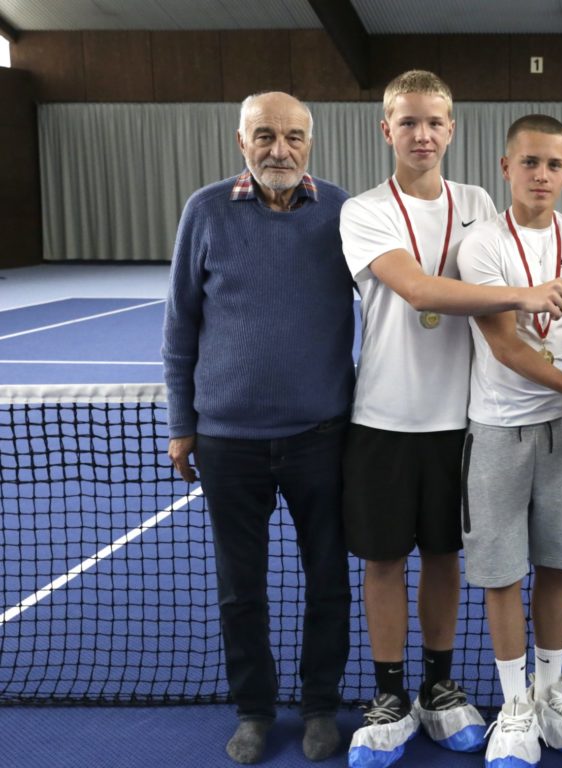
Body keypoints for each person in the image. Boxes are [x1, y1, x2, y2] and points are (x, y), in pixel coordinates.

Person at [338, 72, 562, 768]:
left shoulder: (477, 204)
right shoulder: (363, 210)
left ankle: (439, 686)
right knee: (385, 560)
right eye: (408, 122)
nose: (422, 135)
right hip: (383, 417)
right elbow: (418, 288)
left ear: (451, 129)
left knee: (445, 557)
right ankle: (390, 694)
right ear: (387, 129)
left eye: (434, 122)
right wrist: (524, 294)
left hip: (465, 421)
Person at [162, 91, 353, 764]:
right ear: (242, 141)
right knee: (240, 590)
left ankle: (321, 706)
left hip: (322, 437)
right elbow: (180, 325)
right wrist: (183, 423)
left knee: (328, 581)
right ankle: (254, 710)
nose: (280, 149)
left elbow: (393, 298)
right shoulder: (205, 211)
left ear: (310, 143)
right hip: (227, 443)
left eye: (293, 136)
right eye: (265, 135)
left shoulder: (342, 212)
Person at [456, 114, 562, 768]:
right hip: (498, 427)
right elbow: (504, 346)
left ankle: (551, 693)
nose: (541, 175)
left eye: (553, 164)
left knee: (557, 563)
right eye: (529, 162)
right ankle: (515, 705)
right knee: (502, 572)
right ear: (506, 168)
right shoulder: (480, 246)